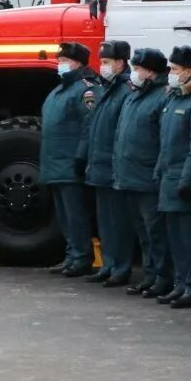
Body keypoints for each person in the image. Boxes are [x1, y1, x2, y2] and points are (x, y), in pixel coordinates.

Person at [112, 47, 172, 295]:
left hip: (148, 177)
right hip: (130, 175)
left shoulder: (161, 97)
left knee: (156, 232)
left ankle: (163, 276)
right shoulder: (133, 96)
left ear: (150, 72)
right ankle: (150, 274)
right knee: (143, 232)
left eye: (137, 69)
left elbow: (163, 140)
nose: (133, 74)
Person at [158, 47, 191, 308]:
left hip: (184, 180)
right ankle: (181, 284)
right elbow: (165, 142)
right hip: (169, 178)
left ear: (189, 71)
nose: (170, 74)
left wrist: (188, 178)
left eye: (175, 70)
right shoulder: (175, 98)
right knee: (176, 237)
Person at [40, 40, 98, 278]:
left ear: (77, 63)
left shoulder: (85, 90)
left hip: (71, 163)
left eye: (64, 61)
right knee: (65, 215)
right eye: (60, 60)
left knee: (76, 215)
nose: (60, 64)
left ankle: (82, 257)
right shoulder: (59, 90)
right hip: (56, 163)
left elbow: (89, 126)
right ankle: (72, 255)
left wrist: (81, 157)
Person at [84, 40, 135, 282]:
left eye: (106, 62)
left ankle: (121, 267)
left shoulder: (125, 91)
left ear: (120, 63)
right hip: (100, 166)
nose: (101, 66)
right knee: (105, 222)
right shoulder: (106, 89)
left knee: (118, 223)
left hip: (113, 167)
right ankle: (109, 264)